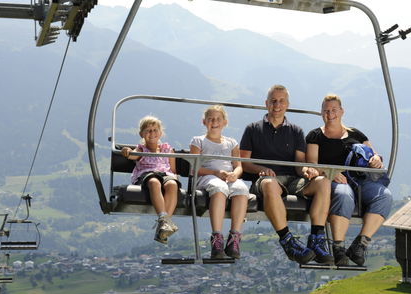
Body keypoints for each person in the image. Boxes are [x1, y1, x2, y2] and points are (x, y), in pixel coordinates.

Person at [240, 84, 332, 265]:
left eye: (281, 101)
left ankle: (316, 239)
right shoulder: (252, 129)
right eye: (273, 101)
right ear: (266, 103)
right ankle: (287, 240)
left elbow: (299, 165)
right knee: (269, 183)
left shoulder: (296, 131)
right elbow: (244, 163)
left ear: (287, 104)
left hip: (292, 179)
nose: (277, 105)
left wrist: (307, 170)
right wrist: (261, 169)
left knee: (323, 182)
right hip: (265, 179)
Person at [305, 94, 392, 266]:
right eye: (326, 111)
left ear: (342, 111)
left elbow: (373, 154)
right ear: (321, 113)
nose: (330, 115)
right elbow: (312, 163)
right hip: (334, 180)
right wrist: (331, 172)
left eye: (334, 110)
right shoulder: (315, 136)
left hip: (360, 180)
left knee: (385, 196)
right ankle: (339, 248)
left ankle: (360, 244)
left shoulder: (356, 134)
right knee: (344, 194)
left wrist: (376, 159)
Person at [190, 105, 249, 259]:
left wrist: (234, 175)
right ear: (204, 122)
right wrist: (216, 173)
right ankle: (217, 238)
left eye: (218, 119)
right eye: (210, 119)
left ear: (224, 122)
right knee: (219, 187)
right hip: (207, 176)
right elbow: (194, 169)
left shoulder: (232, 143)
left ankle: (234, 237)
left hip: (227, 176)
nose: (214, 122)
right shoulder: (198, 141)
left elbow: (238, 166)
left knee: (242, 189)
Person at [122, 115, 180, 244]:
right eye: (148, 130)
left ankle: (165, 225)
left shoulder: (167, 149)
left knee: (172, 184)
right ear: (141, 134)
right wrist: (127, 151)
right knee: (154, 182)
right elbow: (132, 155)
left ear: (160, 132)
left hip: (165, 174)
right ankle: (164, 219)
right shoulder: (141, 149)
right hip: (147, 174)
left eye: (155, 130)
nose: (152, 133)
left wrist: (174, 178)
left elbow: (173, 169)